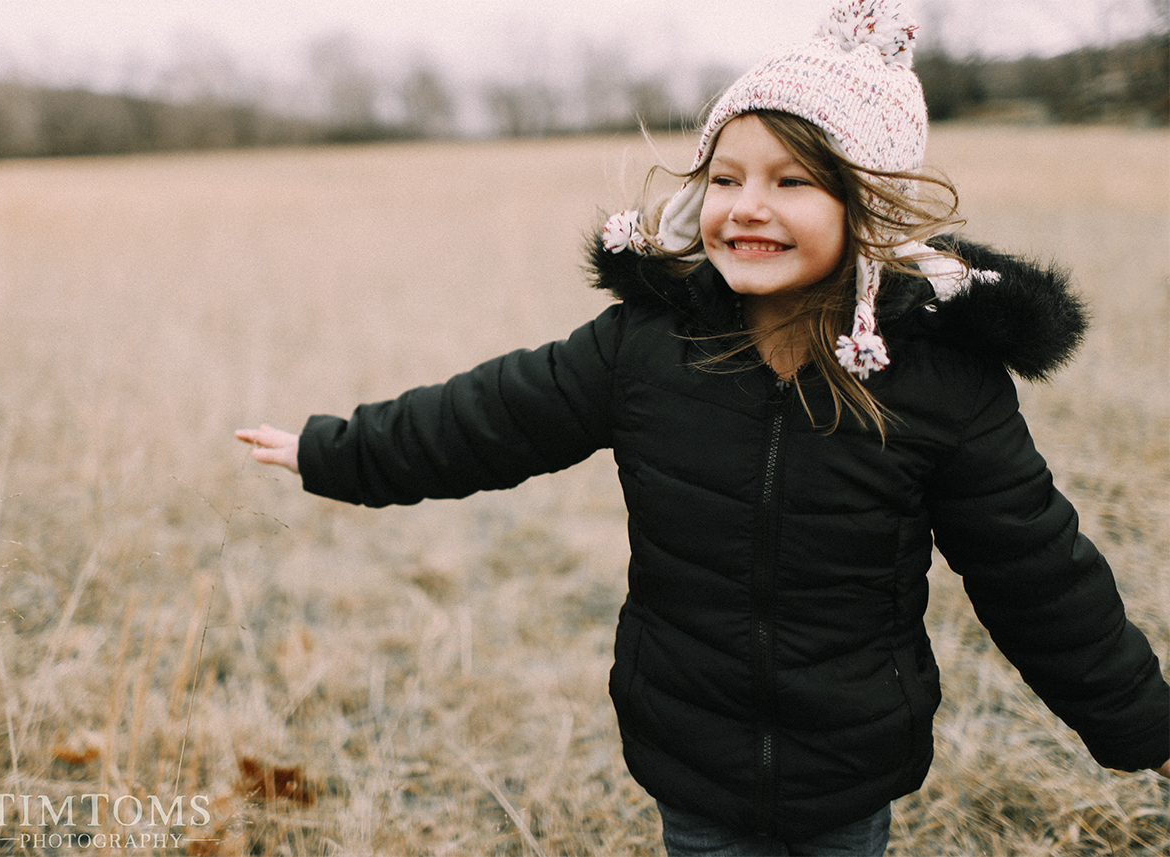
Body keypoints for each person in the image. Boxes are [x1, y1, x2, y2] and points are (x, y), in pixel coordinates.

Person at [237, 1, 1170, 853]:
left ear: (870, 206)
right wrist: (334, 449)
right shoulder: (647, 345)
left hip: (849, 764)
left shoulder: (937, 380)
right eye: (725, 176)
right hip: (691, 751)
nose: (747, 205)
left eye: (793, 180)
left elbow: (1038, 574)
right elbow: (488, 417)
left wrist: (1143, 726)